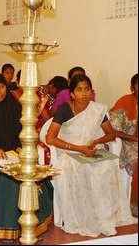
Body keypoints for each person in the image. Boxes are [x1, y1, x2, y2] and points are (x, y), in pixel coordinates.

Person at [45, 74, 135, 237]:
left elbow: (111, 134)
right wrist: (78, 148)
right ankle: (82, 216)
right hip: (69, 151)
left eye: (87, 89)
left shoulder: (97, 109)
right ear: (72, 93)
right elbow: (50, 138)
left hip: (91, 149)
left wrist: (96, 141)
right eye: (79, 90)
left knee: (107, 165)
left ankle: (103, 214)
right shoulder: (64, 109)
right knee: (76, 168)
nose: (84, 94)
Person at [0, 73, 53, 241]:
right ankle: (8, 229)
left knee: (34, 173)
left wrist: (23, 148)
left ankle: (33, 225)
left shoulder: (14, 105)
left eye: (1, 87)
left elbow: (24, 131)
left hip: (13, 153)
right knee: (10, 179)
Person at [110, 73, 138, 216]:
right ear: (133, 88)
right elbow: (113, 129)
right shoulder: (125, 101)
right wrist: (133, 138)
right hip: (128, 142)